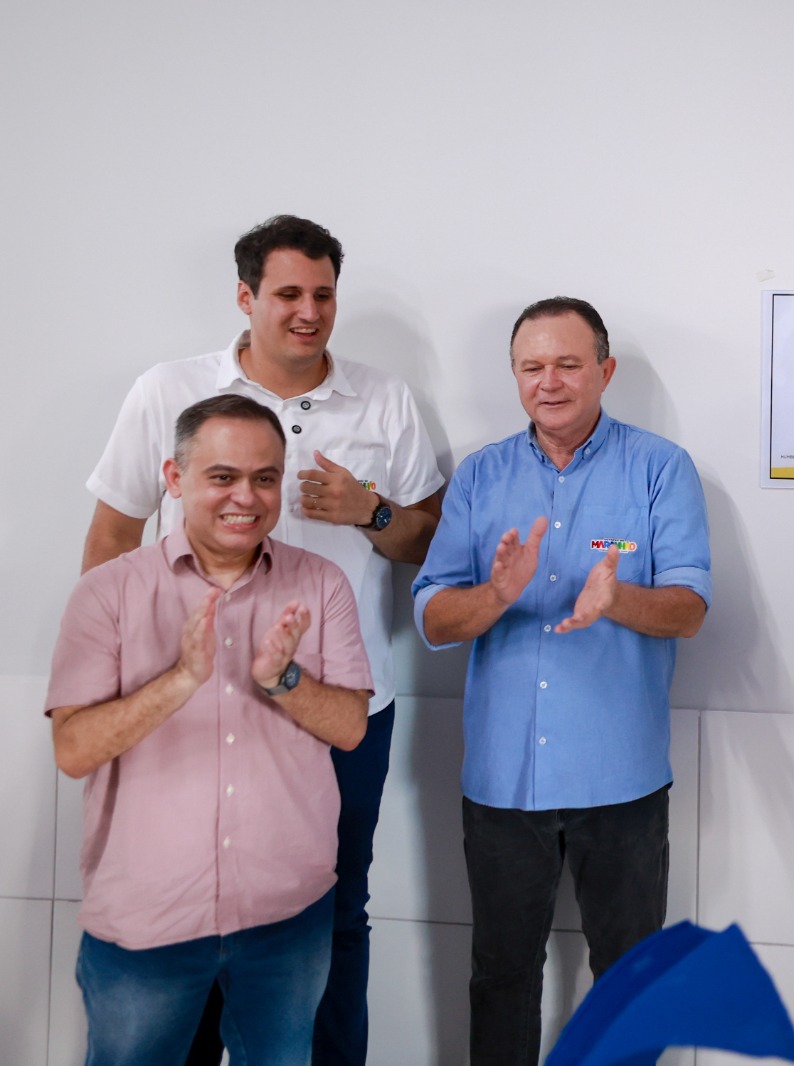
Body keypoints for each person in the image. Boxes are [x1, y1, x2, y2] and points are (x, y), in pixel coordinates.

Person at [81, 215, 446, 1065]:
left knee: (335, 908)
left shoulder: (385, 400)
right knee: (186, 906)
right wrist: (118, 685)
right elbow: (112, 538)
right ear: (245, 298)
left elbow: (430, 544)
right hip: (190, 699)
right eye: (287, 294)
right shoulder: (169, 391)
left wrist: (371, 512)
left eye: (323, 294)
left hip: (342, 707)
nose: (308, 312)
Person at [412, 297, 712, 1062]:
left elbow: (689, 609)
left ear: (604, 372)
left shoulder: (660, 468)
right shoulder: (480, 476)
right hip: (503, 781)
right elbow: (433, 617)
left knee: (629, 982)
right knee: (501, 977)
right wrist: (494, 596)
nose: (549, 382)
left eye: (568, 364)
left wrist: (618, 600)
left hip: (623, 780)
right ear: (515, 376)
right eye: (532, 366)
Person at [47, 395, 372, 1065]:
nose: (245, 497)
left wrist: (283, 679)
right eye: (223, 476)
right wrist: (178, 680)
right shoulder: (107, 592)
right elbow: (73, 751)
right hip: (148, 924)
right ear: (175, 478)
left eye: (264, 478)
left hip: (286, 918)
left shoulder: (322, 584)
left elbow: (349, 729)